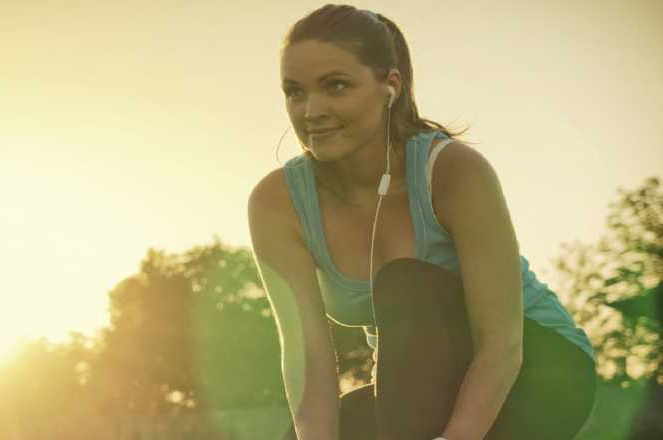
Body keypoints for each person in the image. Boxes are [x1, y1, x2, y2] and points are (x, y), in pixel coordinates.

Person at [246, 5, 597, 440]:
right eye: (294, 92)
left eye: (335, 86)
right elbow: (309, 359)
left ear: (389, 86)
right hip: (419, 389)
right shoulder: (276, 203)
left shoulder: (452, 172)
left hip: (538, 367)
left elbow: (501, 348)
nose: (311, 110)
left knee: (405, 285)